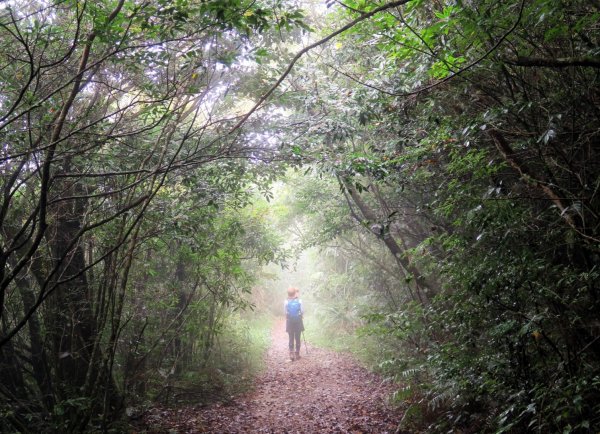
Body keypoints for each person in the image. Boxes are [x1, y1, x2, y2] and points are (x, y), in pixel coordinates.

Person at [284, 287, 304, 361]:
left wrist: (287, 317)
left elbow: (285, 312)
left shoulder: (286, 301)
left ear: (288, 293)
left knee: (291, 337)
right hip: (298, 321)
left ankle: (291, 353)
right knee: (298, 337)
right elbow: (302, 311)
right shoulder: (299, 300)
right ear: (295, 293)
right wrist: (301, 315)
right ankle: (297, 353)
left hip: (290, 321)